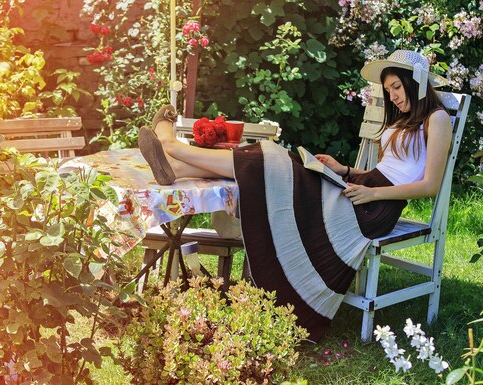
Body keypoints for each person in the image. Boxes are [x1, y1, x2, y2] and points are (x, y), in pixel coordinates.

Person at [138, 49, 452, 342]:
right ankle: (176, 167)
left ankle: (174, 149)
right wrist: (343, 170)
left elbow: (429, 185)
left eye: (397, 87)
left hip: (377, 208)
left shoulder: (436, 119)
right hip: (366, 190)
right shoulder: (403, 119)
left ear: (416, 83)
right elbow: (385, 168)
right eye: (390, 90)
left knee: (274, 160)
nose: (394, 96)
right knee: (282, 164)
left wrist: (372, 194)